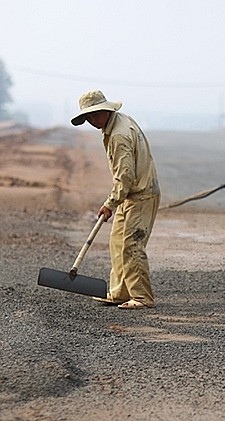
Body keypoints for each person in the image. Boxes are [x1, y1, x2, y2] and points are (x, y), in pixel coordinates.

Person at [71, 90, 161, 309]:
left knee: (131, 246)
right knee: (117, 243)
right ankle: (120, 292)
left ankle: (141, 297)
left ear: (105, 110)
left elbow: (125, 176)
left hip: (140, 195)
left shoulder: (119, 135)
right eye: (88, 118)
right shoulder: (116, 123)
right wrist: (116, 201)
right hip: (129, 195)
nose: (92, 121)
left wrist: (110, 204)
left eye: (94, 115)